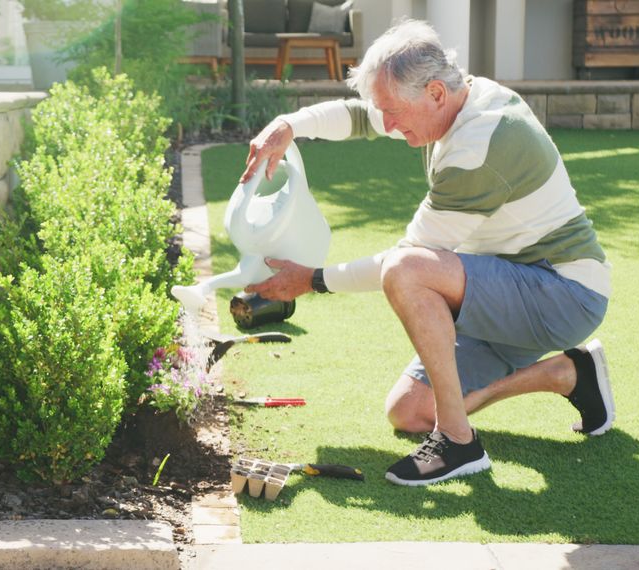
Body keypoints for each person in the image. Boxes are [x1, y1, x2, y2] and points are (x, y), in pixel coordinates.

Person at [242, 19, 613, 486]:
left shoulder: (480, 145)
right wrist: (289, 125)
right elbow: (361, 116)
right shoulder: (445, 99)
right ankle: (567, 374)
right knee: (407, 412)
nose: (391, 125)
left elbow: (407, 260)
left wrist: (313, 279)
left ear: (436, 92)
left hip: (562, 294)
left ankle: (459, 441)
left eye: (395, 112)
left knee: (407, 268)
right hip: (500, 288)